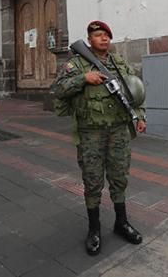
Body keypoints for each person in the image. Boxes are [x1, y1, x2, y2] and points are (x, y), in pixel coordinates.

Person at [51, 20, 147, 256]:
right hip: (90, 132)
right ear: (89, 39)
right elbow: (58, 89)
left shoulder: (119, 62)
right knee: (93, 181)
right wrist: (84, 78)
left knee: (119, 177)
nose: (103, 38)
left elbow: (135, 91)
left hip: (118, 130)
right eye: (97, 35)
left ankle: (121, 222)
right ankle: (94, 229)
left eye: (106, 35)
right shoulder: (76, 63)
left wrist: (139, 116)